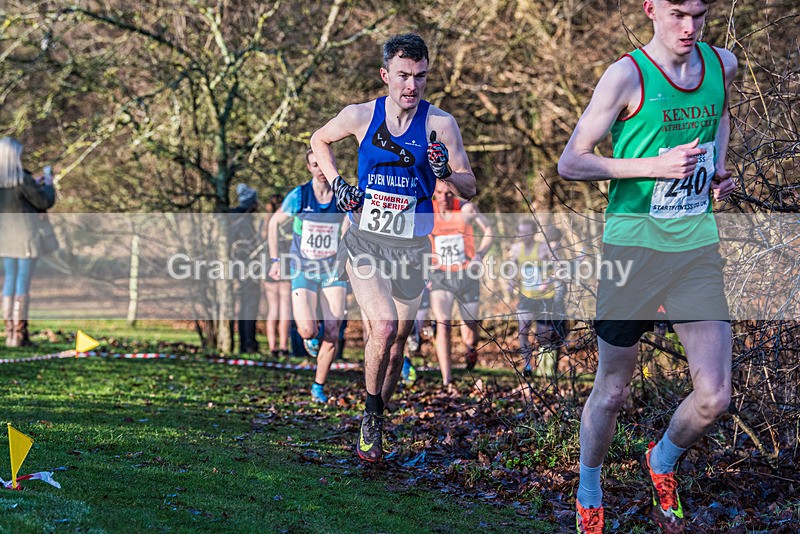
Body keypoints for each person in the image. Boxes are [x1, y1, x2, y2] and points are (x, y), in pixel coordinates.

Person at [557, 1, 738, 532]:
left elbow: (721, 114)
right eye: (678, 13)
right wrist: (652, 167)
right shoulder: (626, 76)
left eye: (699, 14)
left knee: (715, 396)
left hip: (695, 249)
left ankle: (661, 461)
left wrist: (718, 166)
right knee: (612, 391)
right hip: (632, 251)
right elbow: (572, 161)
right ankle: (589, 490)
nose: (689, 26)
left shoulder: (721, 64)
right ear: (651, 9)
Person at [311, 33, 477, 462]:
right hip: (365, 241)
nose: (411, 85)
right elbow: (318, 140)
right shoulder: (361, 115)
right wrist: (338, 183)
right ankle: (370, 417)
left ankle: (378, 413)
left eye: (420, 76)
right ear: (385, 75)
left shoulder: (441, 123)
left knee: (399, 340)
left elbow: (470, 186)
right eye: (403, 75)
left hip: (412, 248)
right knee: (383, 326)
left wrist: (446, 173)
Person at [268, 149, 348, 403]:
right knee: (307, 330)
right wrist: (275, 261)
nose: (321, 170)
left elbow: (349, 228)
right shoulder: (299, 195)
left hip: (332, 269)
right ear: (309, 168)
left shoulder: (342, 195)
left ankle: (318, 386)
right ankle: (310, 338)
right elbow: (273, 223)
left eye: (324, 163)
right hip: (303, 268)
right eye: (315, 165)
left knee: (333, 331)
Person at [428, 179, 493, 385]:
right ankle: (447, 380)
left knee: (469, 334)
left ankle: (471, 349)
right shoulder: (427, 210)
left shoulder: (466, 209)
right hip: (440, 275)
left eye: (449, 193)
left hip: (466, 274)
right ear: (434, 192)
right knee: (443, 324)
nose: (444, 197)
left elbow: (489, 230)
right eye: (440, 193)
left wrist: (480, 254)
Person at [0, 137, 57, 347]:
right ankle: (19, 335)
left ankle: (10, 333)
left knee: (10, 280)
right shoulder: (22, 180)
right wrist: (48, 184)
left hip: (5, 239)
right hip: (25, 238)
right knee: (22, 282)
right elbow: (44, 201)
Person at [507, 221, 566, 380]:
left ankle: (546, 368)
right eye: (521, 232)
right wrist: (511, 283)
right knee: (523, 330)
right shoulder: (516, 249)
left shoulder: (543, 248)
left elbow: (558, 268)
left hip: (545, 298)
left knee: (542, 336)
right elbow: (512, 268)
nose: (524, 236)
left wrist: (547, 282)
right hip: (526, 297)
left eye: (527, 233)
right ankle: (527, 365)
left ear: (534, 233)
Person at [230, 183, 261, 354]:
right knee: (249, 306)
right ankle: (248, 343)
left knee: (244, 306)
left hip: (240, 269)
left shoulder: (233, 217)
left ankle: (245, 342)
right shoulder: (244, 221)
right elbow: (248, 247)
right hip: (246, 270)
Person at [261, 194, 292, 357]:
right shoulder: (287, 223)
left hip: (268, 265)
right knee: (285, 308)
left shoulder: (265, 223)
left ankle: (272, 347)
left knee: (273, 309)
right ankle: (283, 347)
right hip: (285, 264)